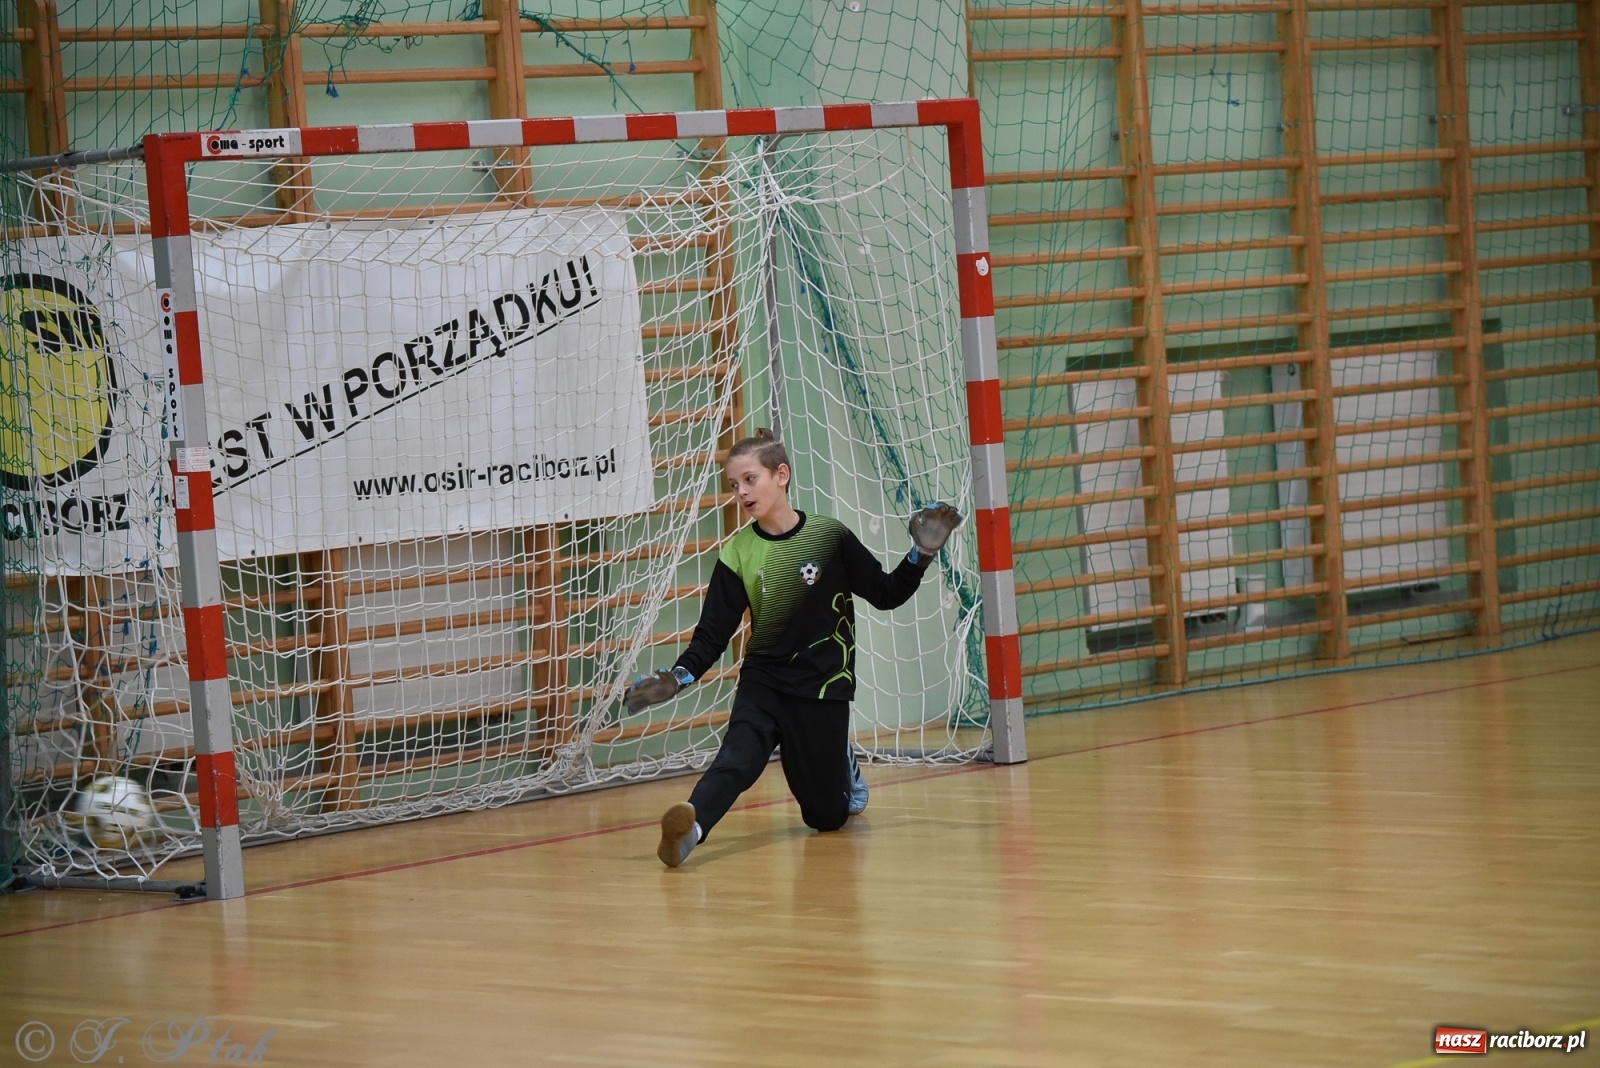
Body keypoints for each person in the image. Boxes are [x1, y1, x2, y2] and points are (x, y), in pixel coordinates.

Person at [622, 428, 962, 868]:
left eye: (750, 479)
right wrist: (675, 679)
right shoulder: (737, 554)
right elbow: (711, 636)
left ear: (780, 475)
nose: (741, 492)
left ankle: (843, 763)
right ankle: (690, 832)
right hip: (764, 683)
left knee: (824, 816)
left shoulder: (829, 537)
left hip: (823, 688)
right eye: (733, 485)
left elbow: (885, 593)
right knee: (737, 760)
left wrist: (920, 555)